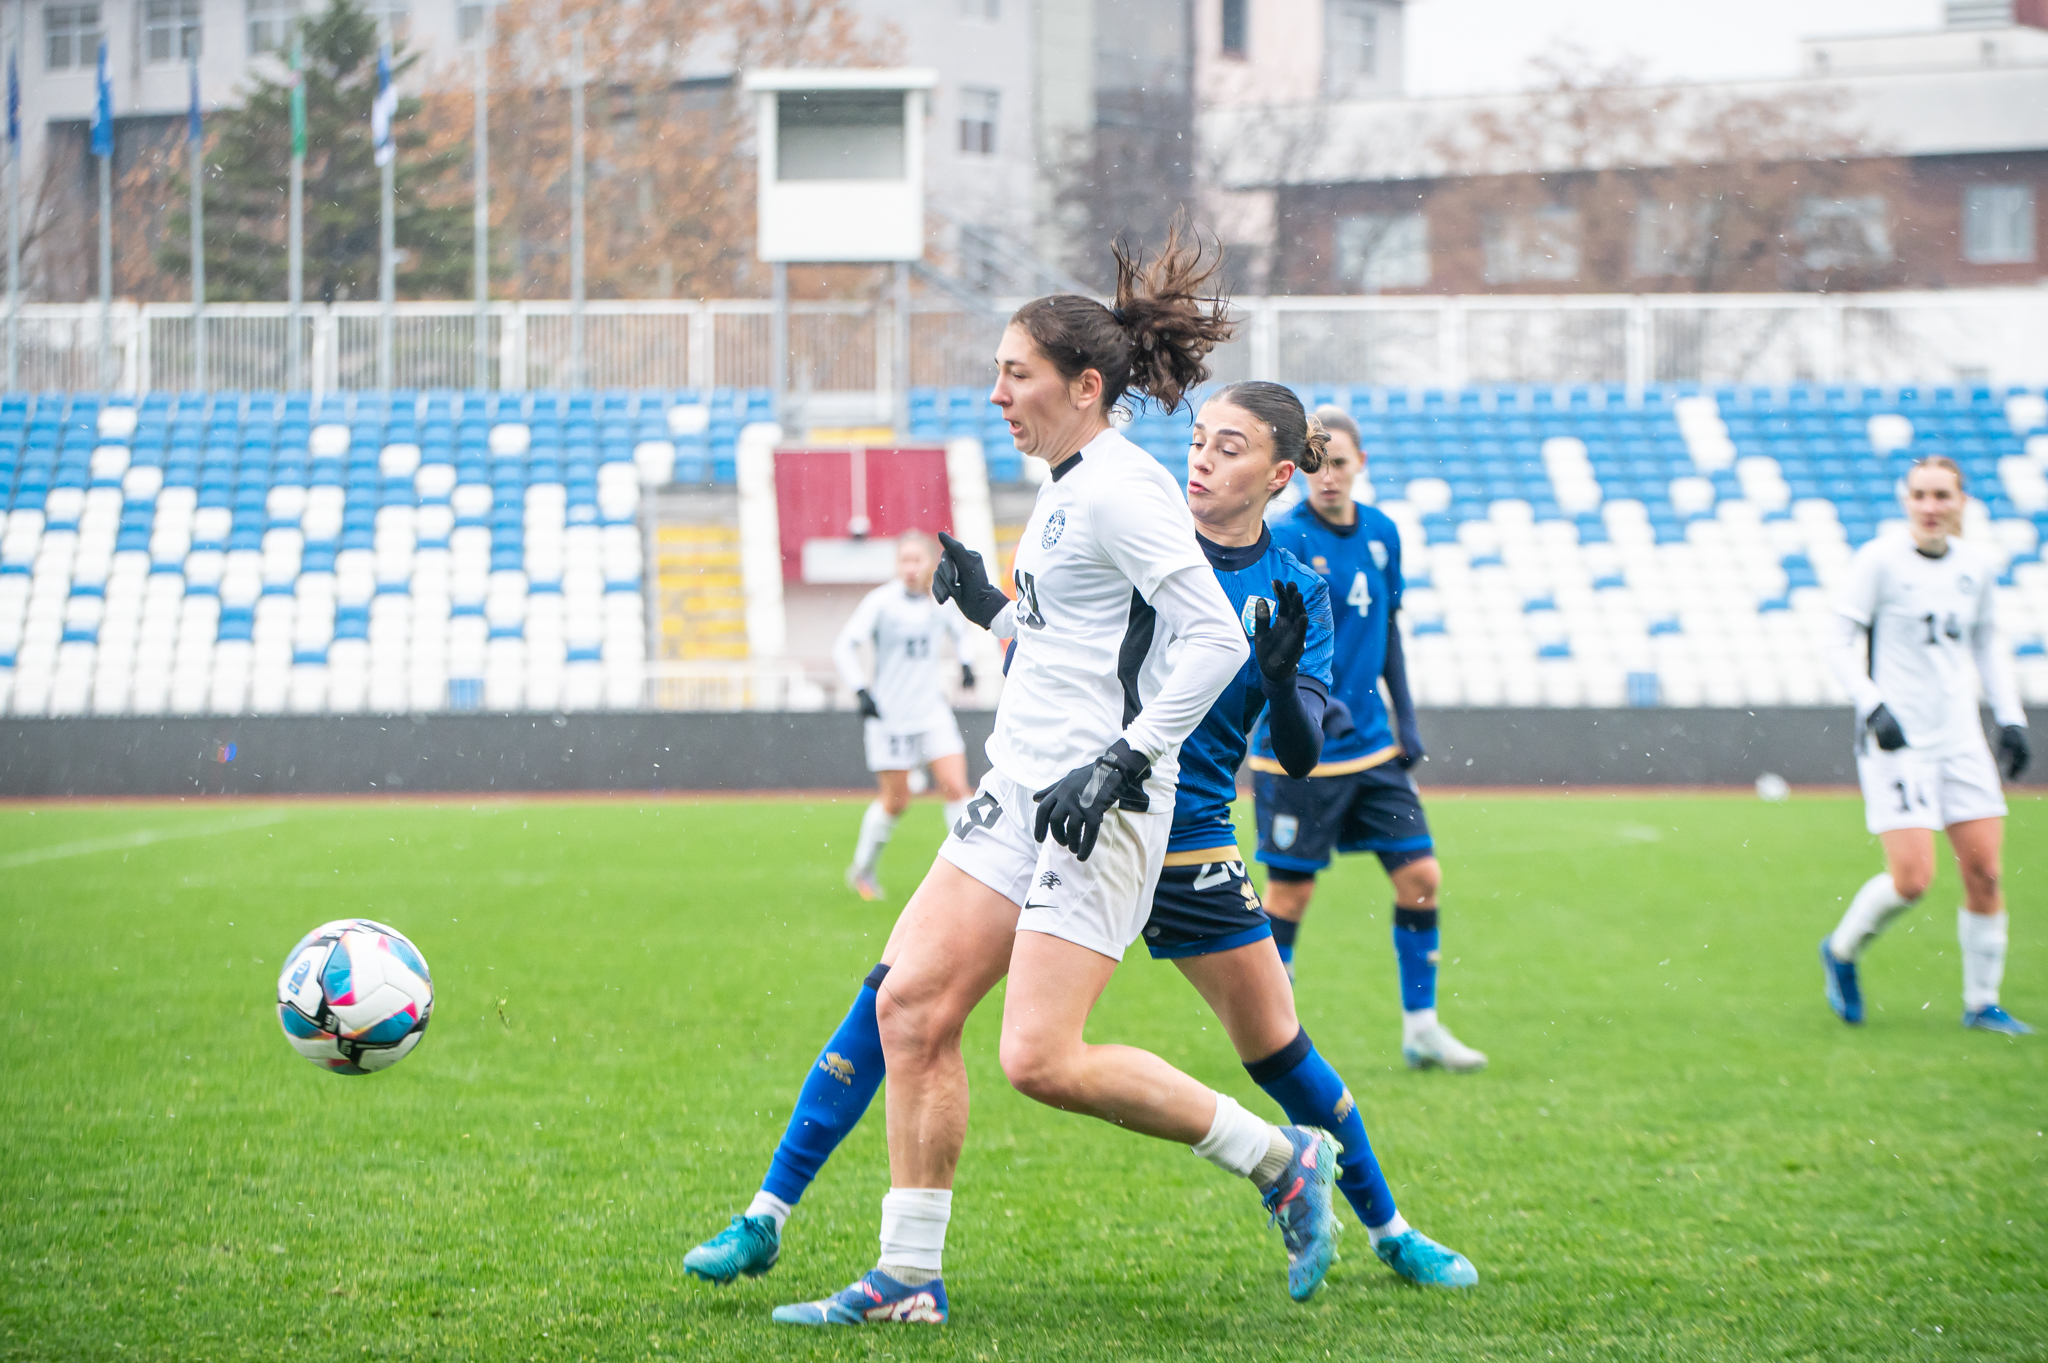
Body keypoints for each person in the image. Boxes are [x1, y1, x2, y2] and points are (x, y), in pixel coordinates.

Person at [683, 381, 1477, 1315]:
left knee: (1278, 1049)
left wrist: (1276, 677)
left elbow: (1299, 752)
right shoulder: (1142, 527)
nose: (1202, 460)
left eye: (1229, 448)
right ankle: (771, 1212)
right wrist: (992, 607)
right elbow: (1060, 653)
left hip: (1183, 839)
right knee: (899, 998)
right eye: (1201, 440)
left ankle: (1388, 1227)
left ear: (1280, 474)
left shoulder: (1294, 585)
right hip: (1066, 812)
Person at [1250, 406, 1487, 1073]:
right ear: (1300, 470)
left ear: (1361, 466)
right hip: (1297, 753)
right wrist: (1322, 712)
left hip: (1374, 748)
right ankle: (1272, 1035)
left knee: (1420, 877)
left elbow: (1387, 631)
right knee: (1290, 896)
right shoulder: (1285, 538)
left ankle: (1422, 1027)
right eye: (1317, 464)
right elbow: (1274, 648)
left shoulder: (1382, 533)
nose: (1329, 477)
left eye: (1342, 463)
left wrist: (1404, 718)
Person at [1820, 455, 2032, 1035]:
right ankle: (1840, 952)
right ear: (1905, 500)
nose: (1931, 507)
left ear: (1962, 500)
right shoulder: (1879, 561)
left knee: (1985, 873)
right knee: (1913, 881)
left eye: (1942, 495)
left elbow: (1987, 642)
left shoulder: (1975, 567)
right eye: (1920, 496)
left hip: (1961, 740)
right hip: (1899, 744)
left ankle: (1981, 1003)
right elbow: (1838, 641)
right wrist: (1874, 706)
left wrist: (2010, 720)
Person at [831, 531, 977, 900]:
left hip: (931, 712)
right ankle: (862, 871)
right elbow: (844, 647)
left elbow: (963, 633)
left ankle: (969, 872)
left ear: (930, 563)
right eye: (903, 561)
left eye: (916, 560)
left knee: (956, 788)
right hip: (891, 717)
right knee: (896, 802)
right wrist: (861, 689)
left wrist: (966, 663)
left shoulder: (941, 601)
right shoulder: (880, 602)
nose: (910, 568)